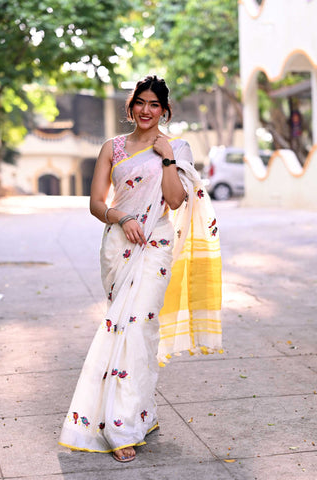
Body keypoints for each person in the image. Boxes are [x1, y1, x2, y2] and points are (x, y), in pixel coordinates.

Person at [58, 75, 222, 463]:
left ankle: (121, 427)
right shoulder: (111, 148)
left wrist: (166, 157)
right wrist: (121, 217)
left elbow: (176, 199)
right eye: (140, 103)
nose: (146, 111)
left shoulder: (177, 147)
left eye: (154, 105)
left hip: (156, 246)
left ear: (164, 110)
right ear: (130, 107)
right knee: (130, 330)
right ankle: (139, 413)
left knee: (137, 328)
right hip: (120, 244)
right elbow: (97, 203)